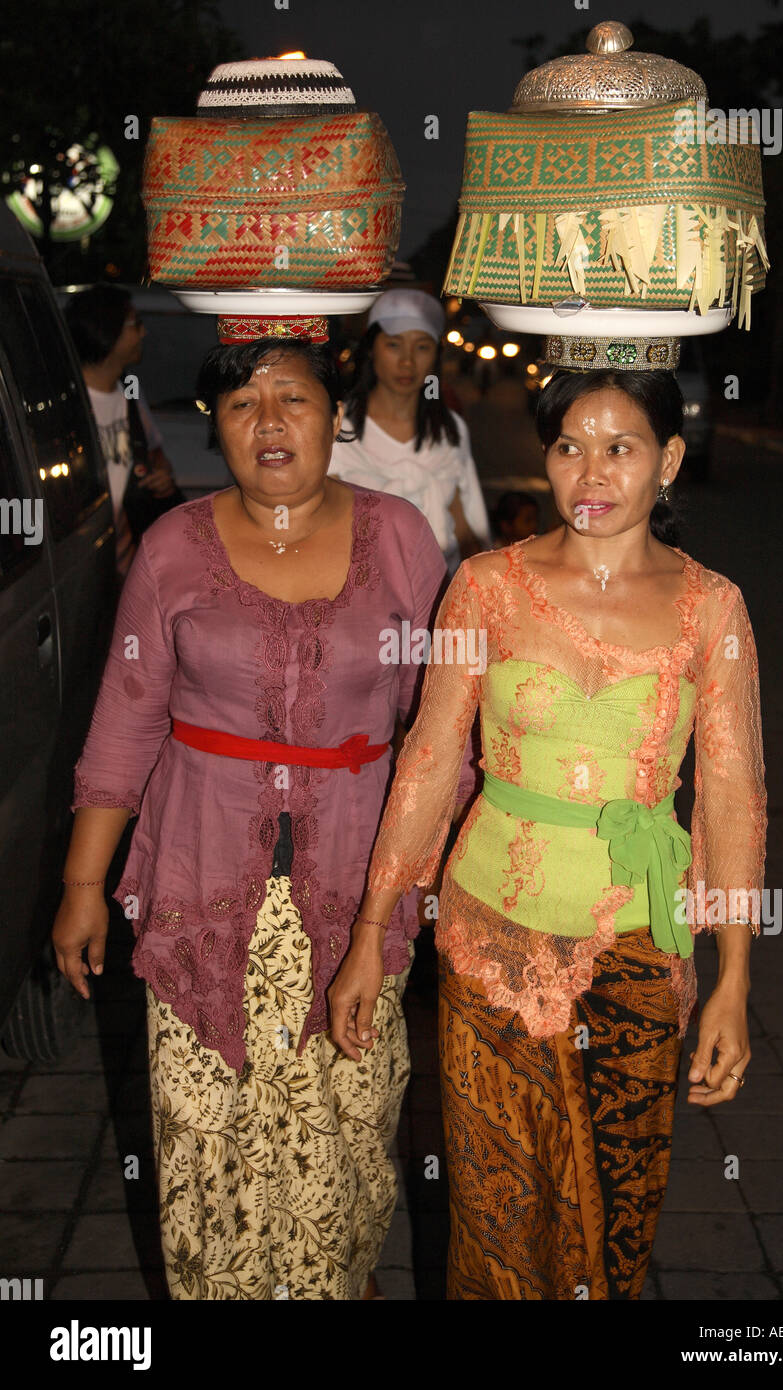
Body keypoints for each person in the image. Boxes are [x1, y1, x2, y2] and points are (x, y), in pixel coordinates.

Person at [329, 365, 768, 1300]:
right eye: (570, 447)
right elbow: (430, 763)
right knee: (494, 1213)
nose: (592, 472)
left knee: (615, 1216)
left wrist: (735, 978)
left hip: (641, 947)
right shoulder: (486, 587)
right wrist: (373, 932)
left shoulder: (713, 606)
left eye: (622, 447)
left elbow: (732, 794)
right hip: (492, 934)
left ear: (670, 460)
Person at [51, 336, 453, 1301]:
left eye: (295, 400)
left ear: (337, 416)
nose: (269, 423)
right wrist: (80, 886)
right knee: (205, 1146)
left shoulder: (398, 538)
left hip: (355, 903)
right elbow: (127, 716)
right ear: (214, 428)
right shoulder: (173, 545)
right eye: (242, 405)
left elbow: (444, 727)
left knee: (342, 1143)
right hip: (199, 892)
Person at [329, 288, 492, 574]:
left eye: (422, 346)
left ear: (436, 356)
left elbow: (467, 525)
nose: (407, 361)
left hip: (441, 590)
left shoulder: (449, 431)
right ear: (371, 348)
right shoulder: (338, 430)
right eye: (394, 345)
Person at [65, 284, 184, 579]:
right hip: (79, 568)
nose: (143, 333)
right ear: (106, 330)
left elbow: (154, 454)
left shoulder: (130, 393)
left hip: (124, 565)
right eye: (136, 324)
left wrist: (161, 477)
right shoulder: (66, 403)